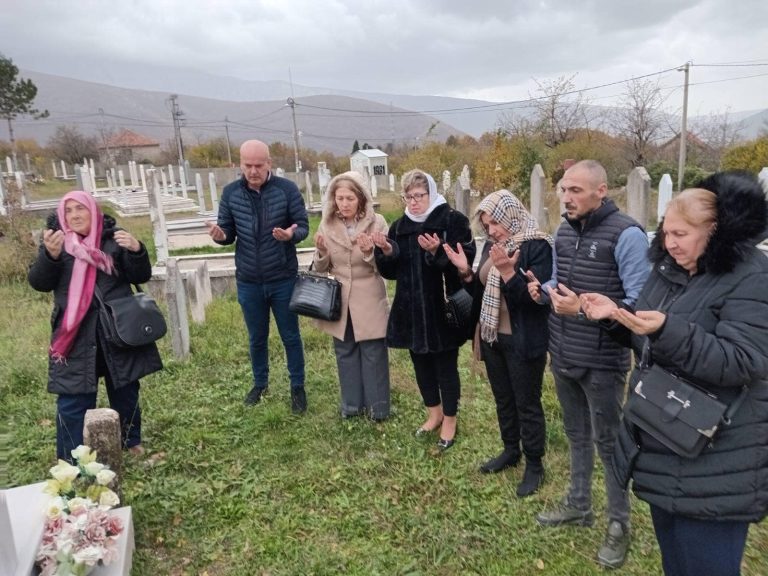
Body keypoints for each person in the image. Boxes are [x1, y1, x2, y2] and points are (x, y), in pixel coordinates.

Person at [580, 172, 768, 576]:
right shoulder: (671, 270)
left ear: (714, 231)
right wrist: (615, 317)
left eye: (680, 234)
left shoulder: (752, 275)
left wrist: (668, 329)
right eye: (665, 233)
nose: (669, 244)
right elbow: (650, 341)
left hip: (716, 461)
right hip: (665, 441)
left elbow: (744, 361)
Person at [527, 160, 650, 568]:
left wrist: (582, 308)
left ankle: (619, 523)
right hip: (563, 353)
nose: (566, 198)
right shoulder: (564, 231)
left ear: (602, 191)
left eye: (576, 191)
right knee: (577, 436)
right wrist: (543, 290)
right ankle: (579, 504)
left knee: (608, 442)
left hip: (603, 361)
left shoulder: (627, 235)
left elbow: (639, 307)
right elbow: (560, 282)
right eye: (563, 189)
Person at [28, 190, 162, 462]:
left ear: (93, 210)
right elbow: (39, 282)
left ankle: (130, 441)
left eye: (81, 209)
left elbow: (141, 275)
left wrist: (137, 250)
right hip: (75, 335)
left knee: (125, 389)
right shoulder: (58, 243)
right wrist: (49, 257)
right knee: (72, 398)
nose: (75, 215)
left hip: (116, 330)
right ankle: (71, 458)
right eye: (69, 210)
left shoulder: (113, 239)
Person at [444, 190, 553, 497]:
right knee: (503, 398)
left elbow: (536, 303)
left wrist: (508, 271)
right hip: (492, 335)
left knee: (526, 403)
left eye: (496, 222)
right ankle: (510, 450)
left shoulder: (537, 245)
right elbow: (480, 286)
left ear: (511, 215)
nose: (491, 230)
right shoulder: (493, 245)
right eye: (486, 224)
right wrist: (466, 271)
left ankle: (534, 463)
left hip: (522, 337)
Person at [374, 169, 475, 450]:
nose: (414, 201)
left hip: (442, 306)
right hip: (411, 308)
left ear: (430, 193)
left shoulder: (452, 220)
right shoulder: (399, 227)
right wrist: (385, 252)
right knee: (420, 363)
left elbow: (465, 260)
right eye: (409, 196)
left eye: (419, 195)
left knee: (445, 366)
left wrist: (436, 253)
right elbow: (391, 272)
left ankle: (451, 419)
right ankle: (434, 413)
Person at [207, 140, 309, 413]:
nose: (253, 171)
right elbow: (227, 231)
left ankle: (297, 387)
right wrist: (220, 236)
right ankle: (260, 383)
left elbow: (303, 227)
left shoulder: (286, 190)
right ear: (239, 164)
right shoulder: (230, 193)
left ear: (269, 163)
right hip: (249, 280)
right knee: (256, 337)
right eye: (247, 165)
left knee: (290, 336)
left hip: (282, 277)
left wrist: (290, 235)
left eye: (258, 165)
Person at [312, 171, 391, 420]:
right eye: (339, 198)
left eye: (349, 198)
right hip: (340, 298)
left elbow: (387, 267)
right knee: (344, 351)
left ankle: (378, 408)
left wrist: (371, 253)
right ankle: (351, 406)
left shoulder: (377, 223)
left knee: (373, 352)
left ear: (361, 199)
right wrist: (322, 251)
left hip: (368, 296)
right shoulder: (327, 224)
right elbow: (321, 268)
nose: (343, 204)